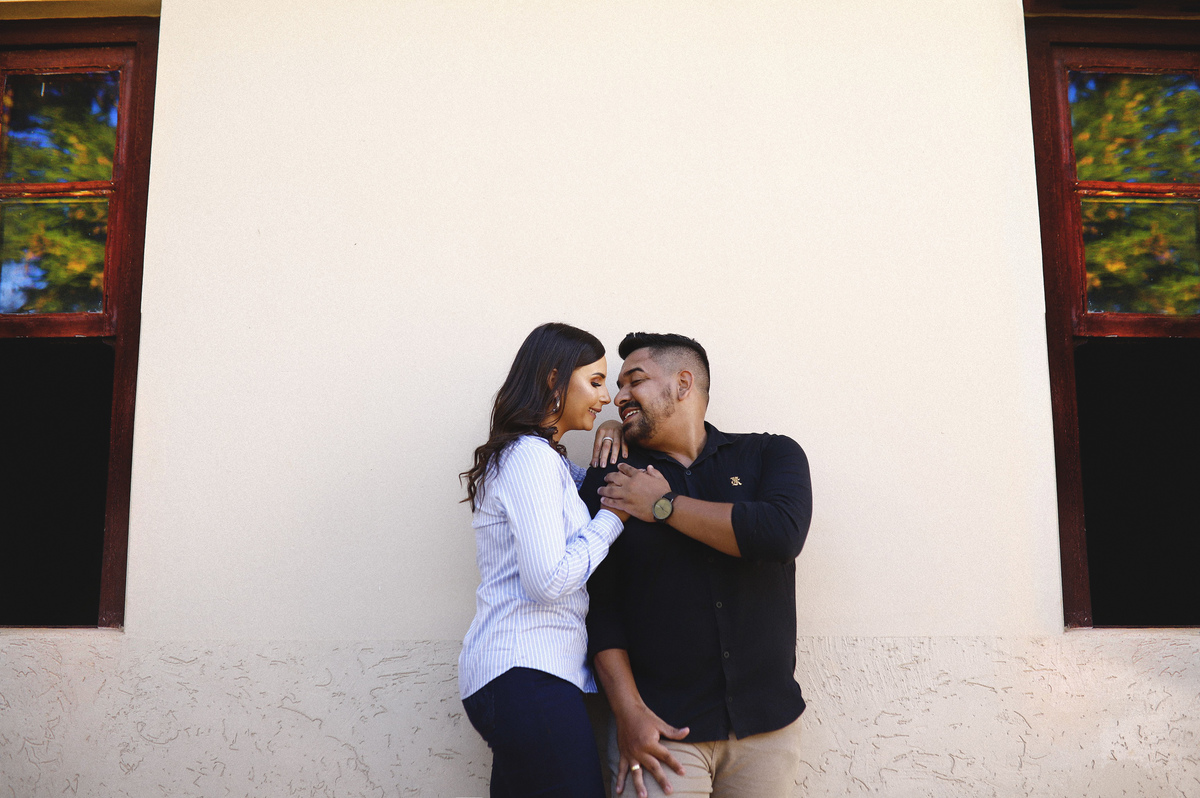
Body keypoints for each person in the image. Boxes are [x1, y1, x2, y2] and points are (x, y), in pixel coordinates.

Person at [583, 332, 813, 798]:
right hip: (659, 734)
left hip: (765, 731)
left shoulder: (770, 454)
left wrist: (664, 506)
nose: (618, 396)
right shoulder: (613, 480)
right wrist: (628, 716)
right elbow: (598, 611)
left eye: (635, 380)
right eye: (617, 384)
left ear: (684, 383)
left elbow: (778, 535)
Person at [458, 322, 632, 798]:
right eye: (595, 382)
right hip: (527, 675)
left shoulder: (544, 460)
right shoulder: (529, 458)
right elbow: (548, 579)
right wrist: (613, 521)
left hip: (525, 678)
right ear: (554, 379)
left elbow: (597, 483)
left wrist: (617, 430)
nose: (607, 398)